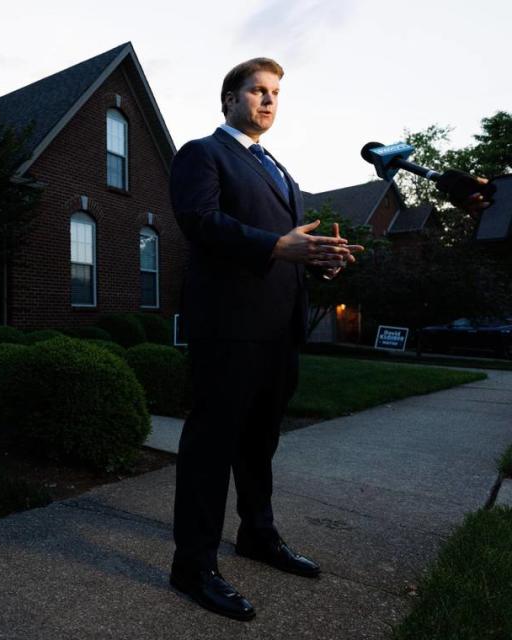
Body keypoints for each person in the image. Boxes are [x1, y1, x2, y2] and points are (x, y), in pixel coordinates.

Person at [168, 57, 363, 621]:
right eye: (258, 90)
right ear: (230, 98)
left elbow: (286, 248)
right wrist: (281, 247)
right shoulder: (202, 153)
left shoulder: (280, 170)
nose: (269, 100)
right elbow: (201, 222)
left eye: (276, 92)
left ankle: (258, 534)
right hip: (228, 328)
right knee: (211, 447)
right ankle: (193, 565)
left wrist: (321, 260)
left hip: (279, 330)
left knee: (259, 444)